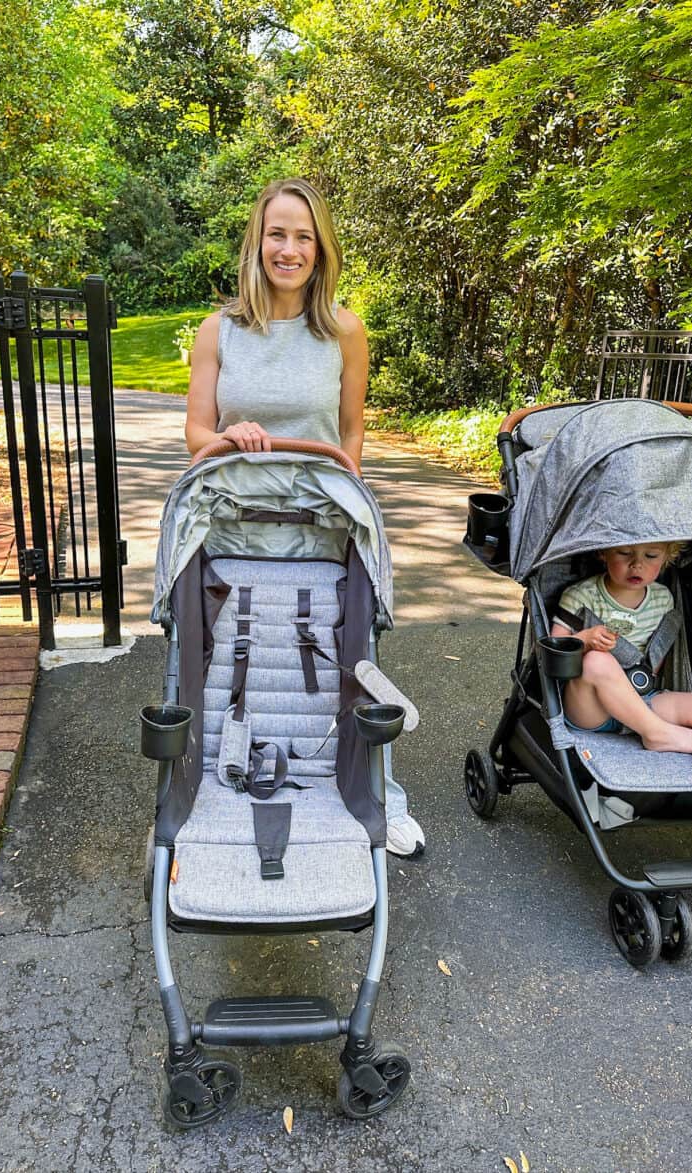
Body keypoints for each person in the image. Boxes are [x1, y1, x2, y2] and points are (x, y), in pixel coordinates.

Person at [184, 176, 425, 856]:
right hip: (235, 523)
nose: (288, 249)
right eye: (277, 234)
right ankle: (198, 782)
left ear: (321, 250)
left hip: (319, 528)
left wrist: (333, 491)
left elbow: (350, 442)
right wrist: (231, 438)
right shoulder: (218, 330)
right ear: (257, 243)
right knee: (241, 664)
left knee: (346, 662)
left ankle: (380, 794)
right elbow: (197, 435)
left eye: (303, 237)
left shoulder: (345, 331)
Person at [552, 542, 692, 818]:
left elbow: (657, 662)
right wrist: (584, 640)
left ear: (667, 559)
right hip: (591, 707)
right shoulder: (580, 596)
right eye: (624, 554)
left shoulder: (663, 599)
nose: (637, 565)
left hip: (641, 700)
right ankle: (656, 733)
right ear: (603, 552)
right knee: (597, 660)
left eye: (651, 556)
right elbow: (552, 650)